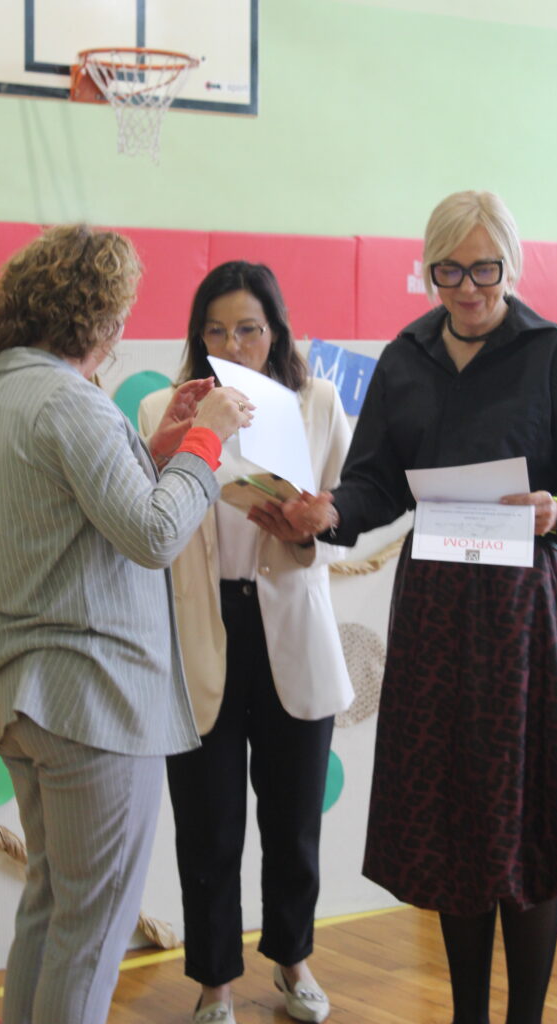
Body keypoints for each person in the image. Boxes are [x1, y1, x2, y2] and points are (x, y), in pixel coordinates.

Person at [282, 191, 557, 1024]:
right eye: (447, 271)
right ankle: (466, 1016)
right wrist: (330, 513)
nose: (466, 289)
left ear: (511, 266)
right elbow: (375, 483)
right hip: (435, 612)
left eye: (483, 270)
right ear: (427, 271)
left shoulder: (555, 353)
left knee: (524, 823)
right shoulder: (405, 356)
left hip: (524, 615)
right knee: (459, 821)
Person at [0, 224, 253, 1024]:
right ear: (95, 316)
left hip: (25, 692)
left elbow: (81, 514)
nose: (122, 329)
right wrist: (206, 440)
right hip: (92, 702)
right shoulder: (70, 401)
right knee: (90, 935)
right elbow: (154, 535)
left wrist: (156, 449)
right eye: (120, 312)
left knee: (51, 909)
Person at [138, 260, 353, 1024]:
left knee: (293, 821)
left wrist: (309, 527)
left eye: (249, 329)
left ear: (276, 331)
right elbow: (148, 523)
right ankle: (214, 984)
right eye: (217, 330)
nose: (234, 344)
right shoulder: (166, 407)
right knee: (208, 822)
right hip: (202, 630)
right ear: (198, 336)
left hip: (289, 622)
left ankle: (293, 961)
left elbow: (348, 519)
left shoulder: (316, 401)